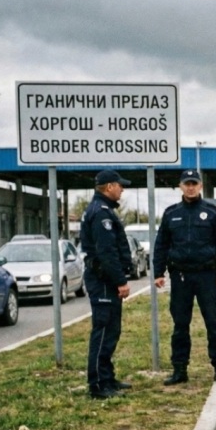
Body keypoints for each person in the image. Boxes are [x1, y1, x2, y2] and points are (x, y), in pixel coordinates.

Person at [153, 169, 216, 386]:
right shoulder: (171, 213)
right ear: (180, 186)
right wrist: (158, 272)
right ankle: (179, 369)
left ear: (200, 186)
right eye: (186, 183)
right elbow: (161, 245)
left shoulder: (213, 212)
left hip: (207, 275)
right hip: (180, 277)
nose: (190, 187)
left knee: (213, 323)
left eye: (194, 183)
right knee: (180, 325)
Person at [79, 170, 133, 400]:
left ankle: (107, 377)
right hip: (103, 281)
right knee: (103, 332)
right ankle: (98, 384)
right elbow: (106, 252)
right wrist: (120, 281)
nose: (122, 189)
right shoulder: (101, 214)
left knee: (111, 331)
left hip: (105, 280)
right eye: (120, 186)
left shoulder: (103, 210)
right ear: (109, 186)